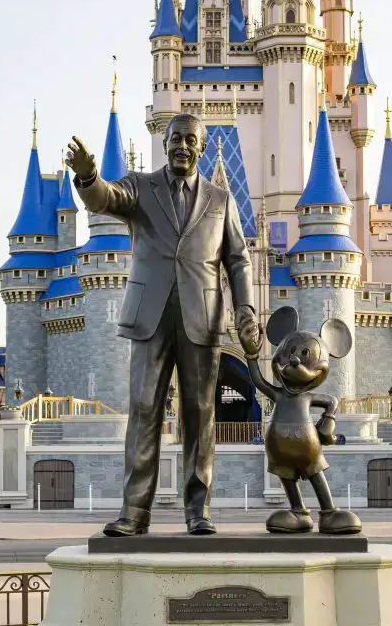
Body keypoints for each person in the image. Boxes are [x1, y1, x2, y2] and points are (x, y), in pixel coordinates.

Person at [66, 112, 261, 536]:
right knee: (143, 412)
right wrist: (87, 177)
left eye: (191, 140)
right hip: (149, 317)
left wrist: (245, 309)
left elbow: (238, 260)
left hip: (202, 319)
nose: (182, 146)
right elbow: (104, 199)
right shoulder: (139, 187)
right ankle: (134, 513)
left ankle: (198, 511)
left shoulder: (220, 200)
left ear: (201, 148)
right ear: (165, 142)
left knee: (201, 414)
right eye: (176, 138)